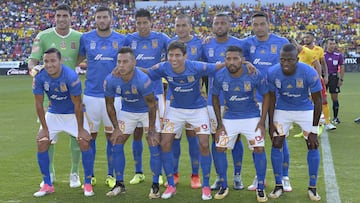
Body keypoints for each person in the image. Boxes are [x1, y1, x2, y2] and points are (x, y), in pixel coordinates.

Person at [145, 41, 225, 200]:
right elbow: (146, 72)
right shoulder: (163, 67)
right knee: (165, 143)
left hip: (198, 110)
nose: (174, 59)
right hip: (175, 110)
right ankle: (170, 185)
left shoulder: (196, 66)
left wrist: (244, 63)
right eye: (171, 55)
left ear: (185, 56)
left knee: (203, 144)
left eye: (177, 55)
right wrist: (130, 69)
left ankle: (206, 186)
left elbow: (218, 67)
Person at [28, 4, 82, 188]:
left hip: (72, 94)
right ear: (55, 17)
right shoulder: (43, 36)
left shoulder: (78, 37)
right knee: (47, 136)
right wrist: (34, 73)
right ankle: (49, 172)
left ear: (70, 17)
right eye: (58, 15)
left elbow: (82, 57)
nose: (61, 19)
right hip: (51, 96)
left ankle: (75, 172)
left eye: (65, 15)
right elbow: (33, 61)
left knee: (77, 135)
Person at [32, 48, 94, 197]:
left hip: (73, 113)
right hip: (54, 113)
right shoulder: (40, 77)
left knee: (84, 141)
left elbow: (78, 105)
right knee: (41, 141)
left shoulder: (71, 76)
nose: (49, 64)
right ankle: (47, 184)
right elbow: (39, 104)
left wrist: (80, 129)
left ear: (60, 61)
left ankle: (87, 183)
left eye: (53, 61)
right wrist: (45, 129)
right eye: (46, 61)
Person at [77, 6, 126, 188]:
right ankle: (88, 177)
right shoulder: (86, 38)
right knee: (89, 137)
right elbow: (75, 59)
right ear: (95, 19)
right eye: (99, 17)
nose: (102, 20)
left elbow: (128, 63)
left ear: (111, 19)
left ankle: (110, 175)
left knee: (112, 137)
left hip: (114, 97)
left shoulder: (121, 39)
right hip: (90, 96)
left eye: (105, 17)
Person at [212, 46, 269, 202]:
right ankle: (224, 185)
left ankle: (260, 187)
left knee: (259, 148)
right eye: (228, 59)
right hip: (230, 118)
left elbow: (267, 95)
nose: (232, 62)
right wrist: (219, 124)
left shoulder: (253, 74)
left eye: (235, 58)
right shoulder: (219, 76)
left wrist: (262, 122)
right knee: (219, 147)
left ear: (242, 60)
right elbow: (215, 98)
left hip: (252, 117)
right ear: (224, 60)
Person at [104, 47, 162, 199]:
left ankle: (155, 185)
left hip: (146, 111)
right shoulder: (111, 79)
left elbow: (152, 105)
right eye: (119, 62)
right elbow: (109, 104)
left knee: (153, 142)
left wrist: (151, 129)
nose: (121, 65)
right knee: (117, 141)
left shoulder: (143, 80)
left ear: (134, 63)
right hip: (128, 111)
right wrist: (116, 128)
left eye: (125, 62)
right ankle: (119, 184)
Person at [267, 44, 322, 201]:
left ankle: (312, 188)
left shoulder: (309, 72)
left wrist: (314, 129)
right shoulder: (272, 72)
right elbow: (271, 99)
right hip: (283, 110)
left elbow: (317, 101)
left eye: (289, 60)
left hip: (304, 109)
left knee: (312, 144)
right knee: (277, 142)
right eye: (282, 59)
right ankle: (278, 186)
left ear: (296, 59)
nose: (285, 63)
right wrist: (271, 123)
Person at [242, 11, 290, 191]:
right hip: (256, 100)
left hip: (278, 100)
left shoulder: (281, 42)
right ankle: (259, 176)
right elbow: (230, 47)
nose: (259, 28)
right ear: (251, 26)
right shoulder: (247, 43)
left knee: (279, 138)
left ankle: (284, 177)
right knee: (257, 140)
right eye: (256, 24)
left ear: (269, 24)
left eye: (262, 24)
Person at [124, 9, 170, 185]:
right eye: (139, 23)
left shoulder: (162, 38)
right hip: (134, 94)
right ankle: (138, 172)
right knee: (136, 134)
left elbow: (178, 49)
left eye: (145, 22)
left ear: (151, 22)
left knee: (154, 134)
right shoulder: (129, 39)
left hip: (156, 93)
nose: (142, 26)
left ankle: (157, 174)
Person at [202, 12, 246, 192]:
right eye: (216, 23)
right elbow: (202, 69)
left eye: (222, 23)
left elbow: (248, 64)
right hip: (214, 100)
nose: (219, 26)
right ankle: (220, 176)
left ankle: (237, 176)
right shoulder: (206, 45)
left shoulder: (240, 44)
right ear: (212, 26)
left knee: (235, 139)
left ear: (229, 25)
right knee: (216, 138)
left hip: (236, 100)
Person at [166, 14, 203, 189]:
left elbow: (204, 68)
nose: (180, 28)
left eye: (183, 25)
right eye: (177, 25)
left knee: (192, 136)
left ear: (190, 26)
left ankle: (195, 175)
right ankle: (174, 173)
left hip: (193, 99)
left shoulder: (200, 44)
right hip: (173, 98)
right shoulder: (169, 44)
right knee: (173, 137)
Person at [303, 32, 335, 131]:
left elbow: (323, 63)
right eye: (304, 37)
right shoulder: (301, 49)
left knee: (323, 99)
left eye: (307, 37)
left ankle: (328, 122)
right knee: (306, 101)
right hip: (304, 80)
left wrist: (325, 76)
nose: (305, 39)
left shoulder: (319, 50)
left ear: (313, 38)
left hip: (317, 78)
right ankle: (307, 122)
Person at [324, 38, 345, 124]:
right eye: (330, 44)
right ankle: (322, 118)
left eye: (333, 44)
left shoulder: (338, 55)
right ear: (326, 45)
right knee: (321, 98)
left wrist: (341, 79)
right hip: (324, 77)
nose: (332, 45)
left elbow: (342, 67)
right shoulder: (322, 55)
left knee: (334, 98)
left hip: (334, 78)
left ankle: (336, 118)